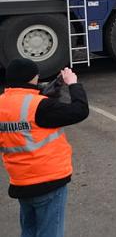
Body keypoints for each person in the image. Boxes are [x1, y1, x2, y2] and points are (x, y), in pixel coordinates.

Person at [0, 58, 89, 237]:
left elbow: (27, 111)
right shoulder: (41, 107)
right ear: (33, 78)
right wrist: (73, 84)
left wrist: (55, 87)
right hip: (48, 180)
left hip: (20, 181)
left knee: (29, 230)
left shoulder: (3, 103)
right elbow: (80, 110)